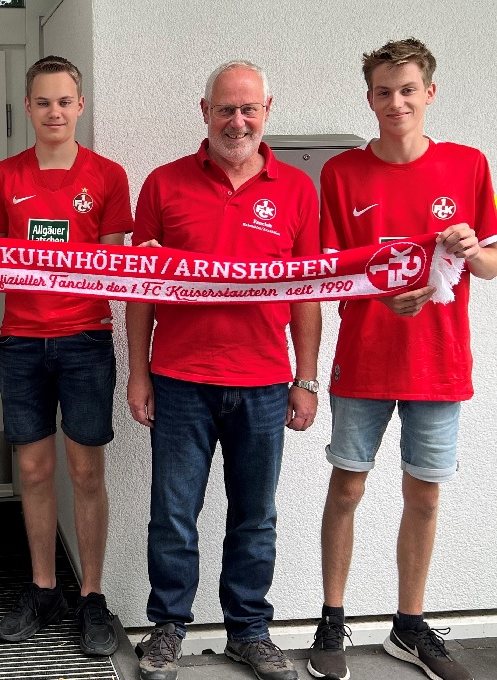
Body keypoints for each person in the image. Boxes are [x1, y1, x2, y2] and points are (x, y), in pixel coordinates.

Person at [306, 38, 497, 680]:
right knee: (348, 486)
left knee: (424, 496)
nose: (397, 102)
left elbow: (493, 263)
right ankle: (330, 623)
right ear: (369, 98)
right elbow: (328, 274)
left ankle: (408, 628)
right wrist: (386, 298)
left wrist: (470, 250)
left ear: (430, 93)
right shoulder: (341, 174)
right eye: (384, 92)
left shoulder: (468, 165)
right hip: (363, 358)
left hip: (439, 363)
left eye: (408, 89)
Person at [127, 61, 321, 680]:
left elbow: (307, 292)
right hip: (180, 379)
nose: (238, 122)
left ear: (268, 110)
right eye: (225, 109)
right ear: (204, 109)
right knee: (173, 513)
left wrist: (306, 378)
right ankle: (167, 628)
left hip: (265, 383)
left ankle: (249, 631)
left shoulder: (296, 190)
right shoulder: (161, 184)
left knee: (255, 516)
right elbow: (138, 290)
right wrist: (138, 373)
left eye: (249, 109)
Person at [0, 55, 133, 656]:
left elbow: (122, 265)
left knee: (87, 472)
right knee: (35, 471)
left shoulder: (108, 175)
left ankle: (91, 596)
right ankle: (44, 589)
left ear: (80, 105)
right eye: (43, 102)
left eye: (64, 101)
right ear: (29, 107)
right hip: (20, 342)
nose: (54, 112)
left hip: (86, 341)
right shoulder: (2, 176)